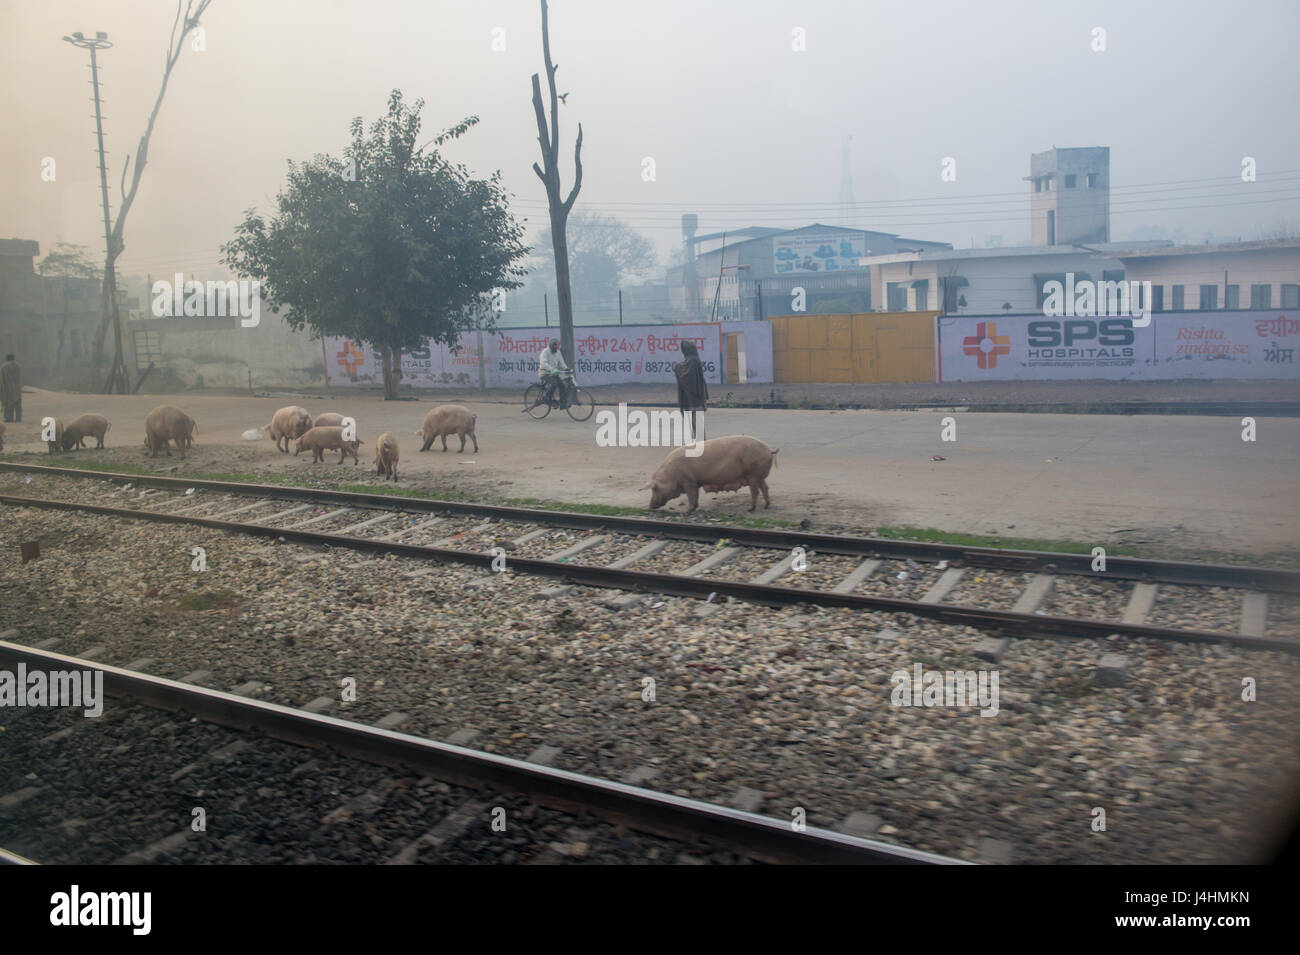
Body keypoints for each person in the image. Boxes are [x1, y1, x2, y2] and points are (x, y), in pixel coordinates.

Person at [673, 340, 708, 442]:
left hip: (694, 397)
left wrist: (676, 366)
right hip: (694, 397)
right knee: (695, 421)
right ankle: (699, 440)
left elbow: (685, 375)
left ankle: (700, 442)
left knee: (696, 420)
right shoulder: (694, 359)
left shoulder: (692, 361)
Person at [538, 338, 571, 409]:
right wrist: (552, 369)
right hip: (545, 373)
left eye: (556, 345)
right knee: (554, 384)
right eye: (554, 345)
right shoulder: (545, 352)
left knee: (562, 385)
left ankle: (563, 404)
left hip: (554, 374)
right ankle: (546, 398)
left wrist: (566, 368)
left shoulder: (558, 352)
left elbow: (561, 363)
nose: (555, 346)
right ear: (550, 345)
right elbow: (543, 364)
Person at [0, 354, 21, 423]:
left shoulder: (4, 367)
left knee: (8, 403)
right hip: (17, 387)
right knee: (17, 403)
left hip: (7, 388)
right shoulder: (18, 366)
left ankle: (9, 418)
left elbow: (2, 380)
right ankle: (18, 418)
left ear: (6, 359)